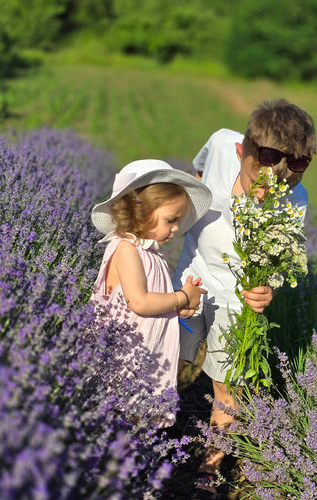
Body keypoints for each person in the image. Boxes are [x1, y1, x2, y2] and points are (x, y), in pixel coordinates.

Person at [172, 98, 317, 498]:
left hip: (237, 301)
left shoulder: (296, 199)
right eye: (261, 176)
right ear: (244, 149)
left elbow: (276, 254)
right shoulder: (221, 144)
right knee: (172, 358)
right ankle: (157, 428)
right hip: (191, 277)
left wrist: (265, 289)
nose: (270, 189)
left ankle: (208, 467)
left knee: (226, 387)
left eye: (285, 182)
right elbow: (196, 171)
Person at [90, 159, 212, 427]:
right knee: (115, 411)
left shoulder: (151, 254)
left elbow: (156, 301)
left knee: (136, 418)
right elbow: (140, 301)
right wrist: (181, 296)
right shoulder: (126, 249)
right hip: (124, 357)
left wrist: (180, 305)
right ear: (142, 212)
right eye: (171, 220)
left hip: (147, 355)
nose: (176, 228)